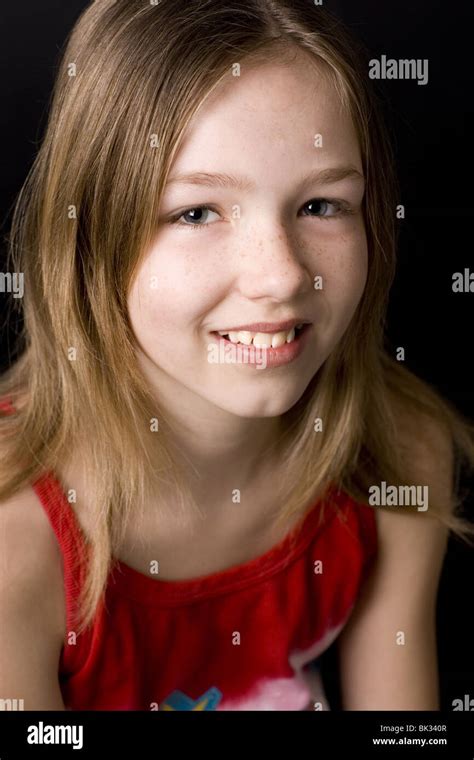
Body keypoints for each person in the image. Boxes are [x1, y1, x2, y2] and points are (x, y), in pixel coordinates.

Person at [0, 0, 473, 711]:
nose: (281, 275)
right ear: (88, 242)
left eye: (322, 205)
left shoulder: (399, 454)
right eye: (195, 213)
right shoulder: (16, 544)